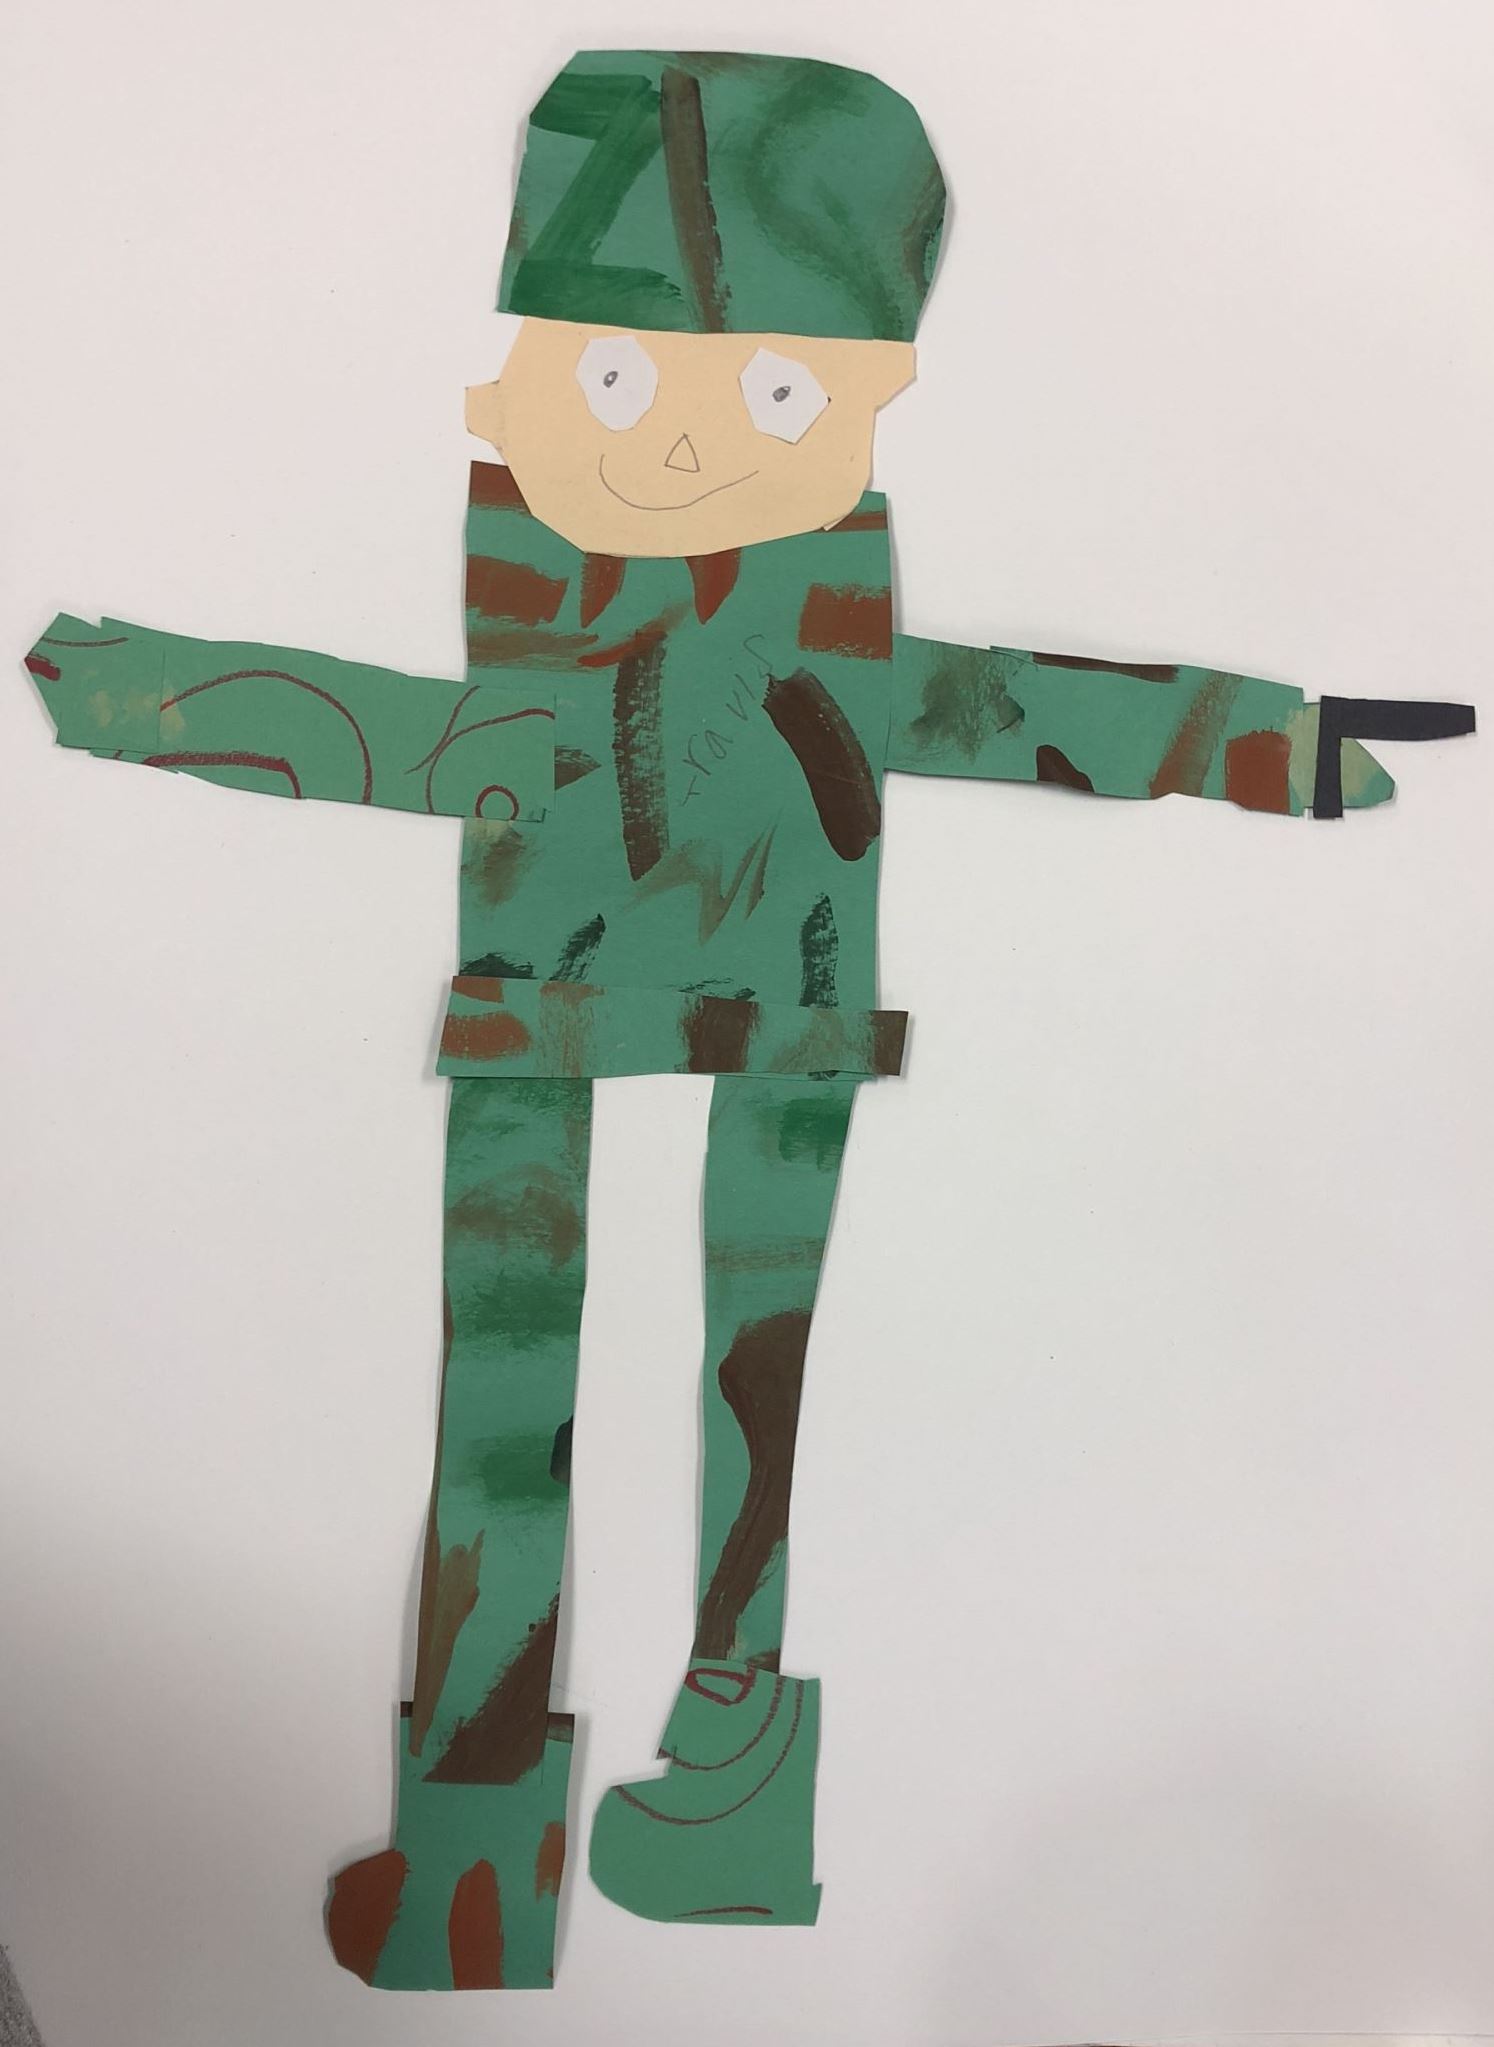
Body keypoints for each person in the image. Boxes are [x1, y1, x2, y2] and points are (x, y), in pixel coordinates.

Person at [23, 47, 1473, 1993]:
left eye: (776, 394)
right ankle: (480, 1851)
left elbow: (1003, 705)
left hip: (756, 1016)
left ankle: (699, 1801)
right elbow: (413, 737)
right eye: (617, 382)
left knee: (734, 1406)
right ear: (502, 392)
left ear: (867, 412)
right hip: (576, 1014)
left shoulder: (816, 640)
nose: (684, 446)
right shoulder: (572, 638)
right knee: (522, 1406)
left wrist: (1269, 738)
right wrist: (123, 686)